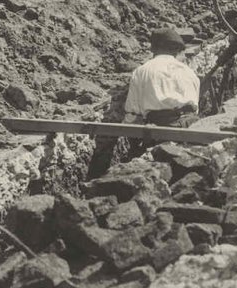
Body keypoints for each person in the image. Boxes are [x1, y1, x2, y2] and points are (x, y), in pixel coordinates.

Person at [85, 28, 199, 178]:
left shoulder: (143, 71)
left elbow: (133, 113)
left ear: (154, 49)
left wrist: (129, 138)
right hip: (192, 126)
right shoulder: (189, 72)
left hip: (162, 128)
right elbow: (196, 108)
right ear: (177, 50)